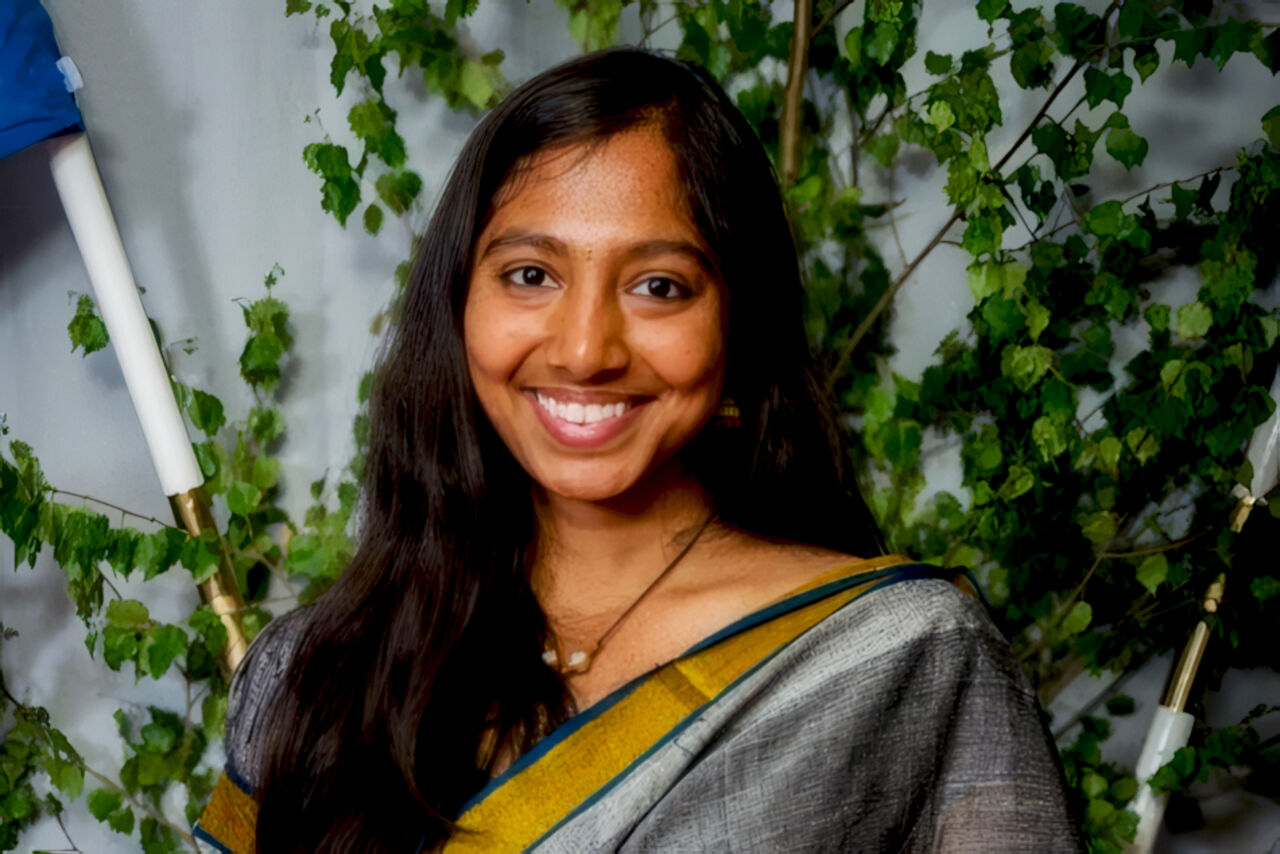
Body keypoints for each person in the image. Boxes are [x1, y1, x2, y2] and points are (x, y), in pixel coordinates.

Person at [194, 48, 1082, 853]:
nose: (585, 350)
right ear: (457, 306)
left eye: (659, 286)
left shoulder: (897, 661)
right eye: (531, 275)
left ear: (737, 323)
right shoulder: (312, 673)